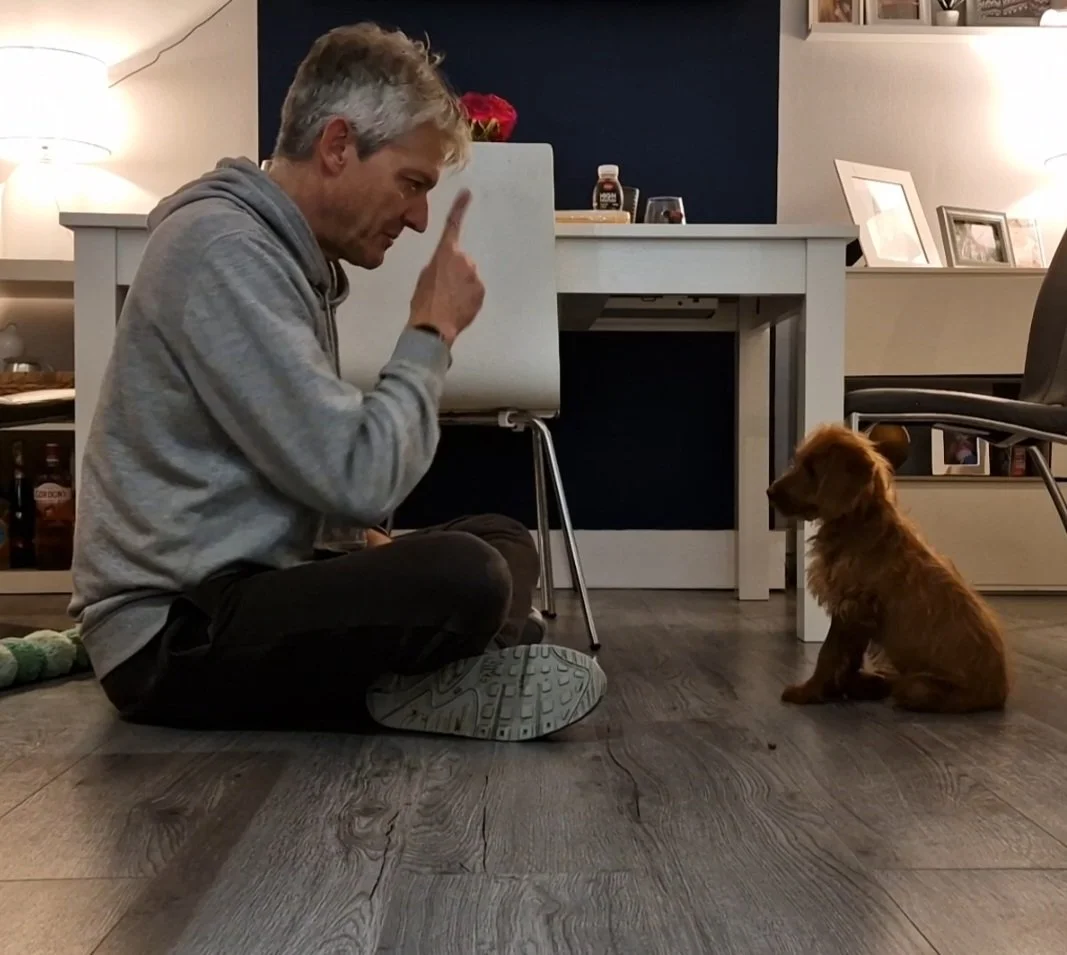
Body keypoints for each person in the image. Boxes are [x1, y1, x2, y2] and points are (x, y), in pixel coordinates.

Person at [69, 23, 605, 741]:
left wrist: (357, 544)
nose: (418, 218)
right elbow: (358, 478)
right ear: (337, 145)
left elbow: (295, 467)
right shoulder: (221, 250)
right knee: (467, 575)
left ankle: (436, 678)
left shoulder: (286, 258)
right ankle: (437, 676)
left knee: (501, 536)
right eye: (410, 184)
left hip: (248, 580)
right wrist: (430, 331)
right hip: (173, 632)